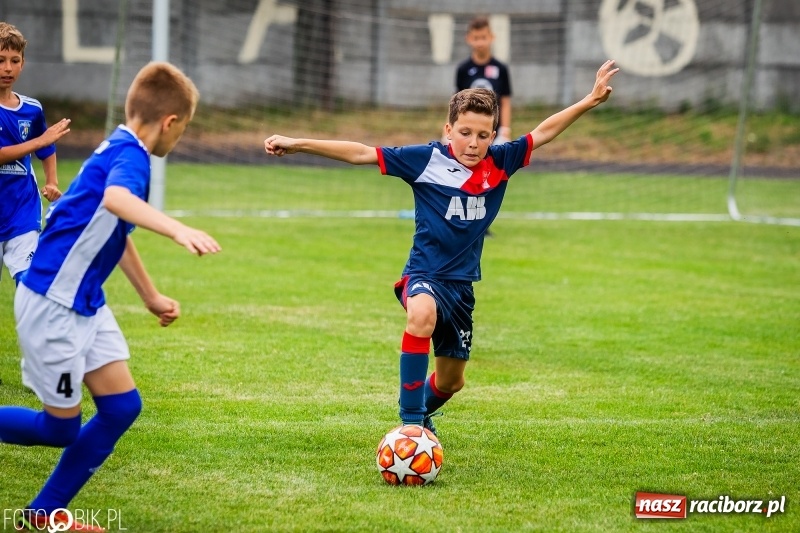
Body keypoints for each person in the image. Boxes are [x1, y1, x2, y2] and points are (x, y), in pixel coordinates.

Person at [264, 60, 619, 436]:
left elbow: (544, 132)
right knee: (420, 315)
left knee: (451, 382)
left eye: (483, 135)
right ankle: (411, 426)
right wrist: (297, 143)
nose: (473, 143)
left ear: (493, 134)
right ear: (448, 130)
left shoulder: (502, 161)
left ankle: (422, 412)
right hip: (425, 273)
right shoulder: (427, 160)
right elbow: (360, 153)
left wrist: (590, 100)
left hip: (461, 287)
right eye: (465, 132)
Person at [0, 61, 221, 532]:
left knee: (122, 407)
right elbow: (119, 202)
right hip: (52, 303)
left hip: (85, 302)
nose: (176, 142)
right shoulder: (132, 157)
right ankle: (42, 514)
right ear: (170, 123)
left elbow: (114, 229)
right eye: (181, 133)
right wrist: (178, 229)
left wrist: (150, 296)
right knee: (59, 429)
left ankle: (41, 516)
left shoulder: (120, 146)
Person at [0, 22, 70, 390]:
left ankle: (38, 366)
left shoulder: (32, 109)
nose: (7, 67)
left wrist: (52, 181)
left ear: (23, 63)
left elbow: (47, 147)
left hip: (23, 215)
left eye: (14, 60)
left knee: (30, 288)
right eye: (0, 60)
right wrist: (39, 140)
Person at [456, 15, 513, 145]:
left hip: (494, 130)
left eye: (483, 37)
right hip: (468, 130)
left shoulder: (501, 68)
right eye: (476, 38)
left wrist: (505, 129)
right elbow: (456, 101)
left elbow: (505, 101)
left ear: (492, 37)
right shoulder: (463, 69)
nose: (480, 42)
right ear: (469, 39)